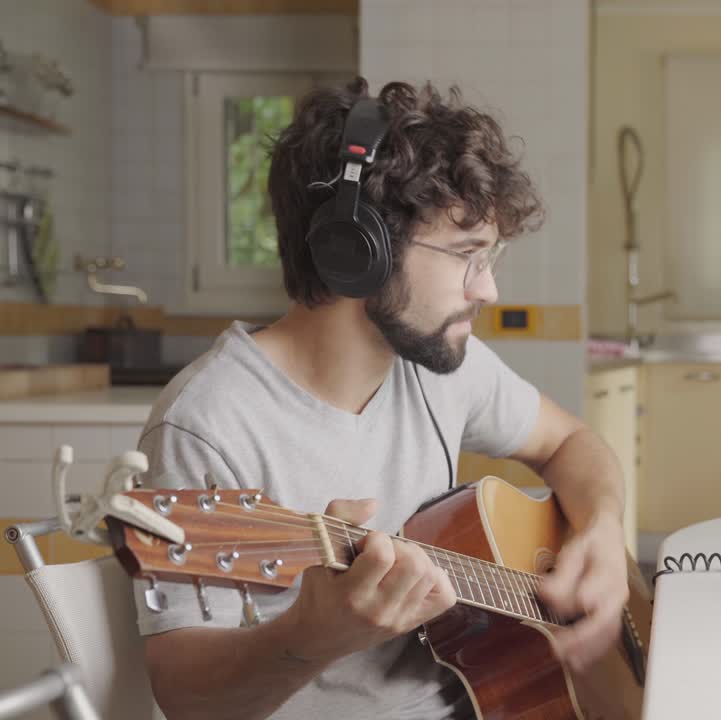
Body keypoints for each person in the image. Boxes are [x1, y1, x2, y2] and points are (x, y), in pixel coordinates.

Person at [131, 77, 628, 720]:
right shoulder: (207, 426)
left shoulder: (439, 363)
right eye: (466, 255)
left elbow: (571, 442)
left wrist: (605, 530)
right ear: (356, 252)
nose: (489, 291)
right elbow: (186, 699)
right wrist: (308, 639)